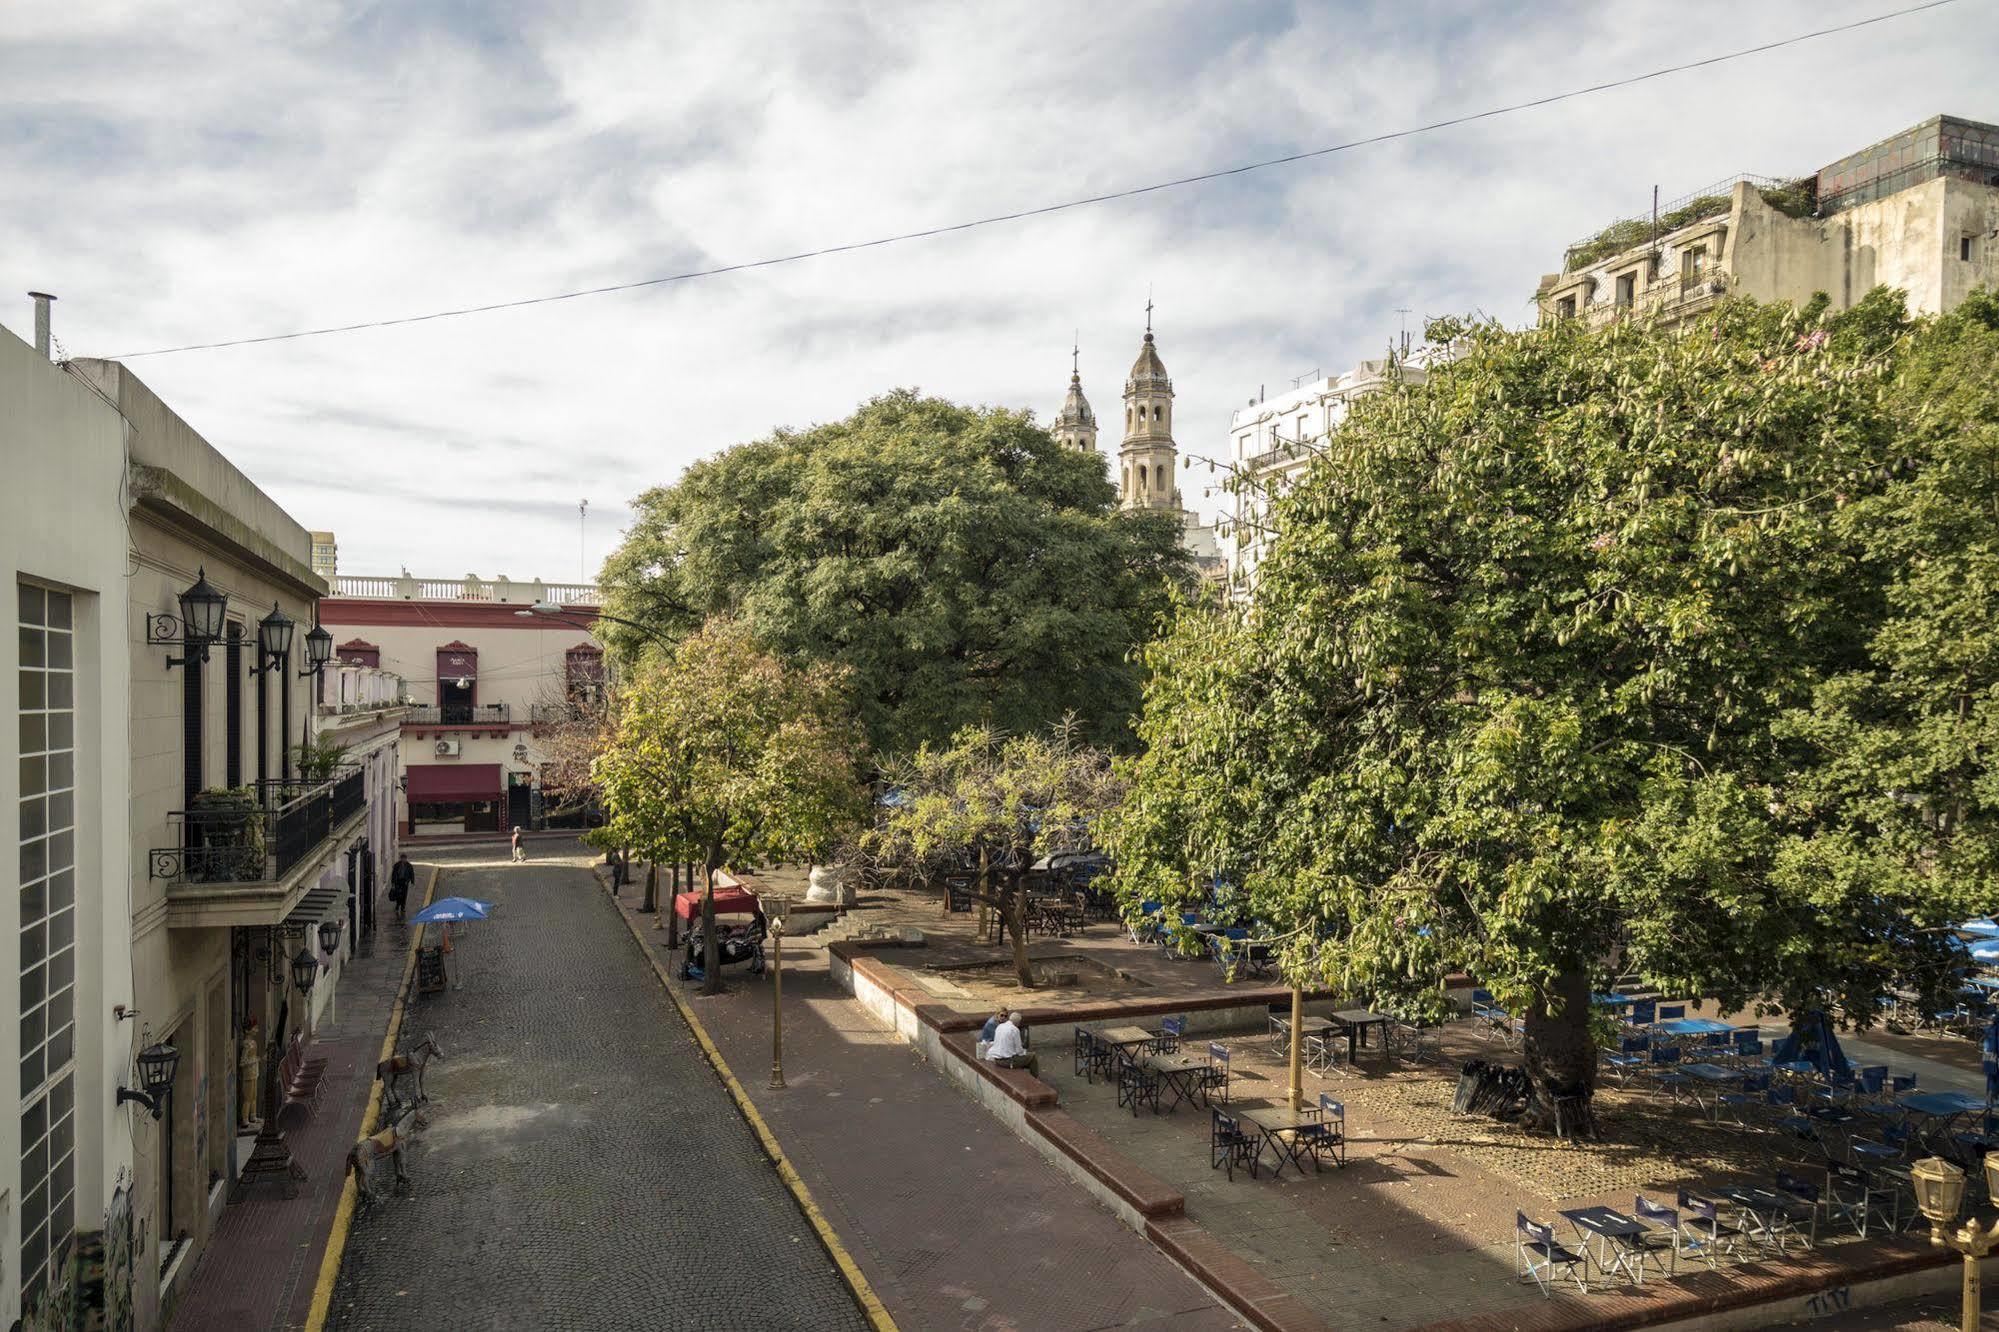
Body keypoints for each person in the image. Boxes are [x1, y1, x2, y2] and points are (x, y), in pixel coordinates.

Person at [987, 1011, 1039, 1078]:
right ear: (1018, 1022)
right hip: (1007, 1061)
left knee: (1024, 1058)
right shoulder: (1015, 1030)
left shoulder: (1000, 1026)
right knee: (1032, 1057)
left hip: (997, 1059)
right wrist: (1024, 1052)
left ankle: (1024, 1076)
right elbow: (1019, 1050)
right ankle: (1034, 1079)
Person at [389, 853, 415, 921]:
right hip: (398, 882)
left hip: (405, 883)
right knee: (398, 895)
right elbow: (393, 875)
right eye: (403, 858)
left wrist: (412, 882)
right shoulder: (397, 865)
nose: (404, 860)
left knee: (404, 895)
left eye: (405, 859)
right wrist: (393, 883)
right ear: (401, 859)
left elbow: (411, 874)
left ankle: (403, 907)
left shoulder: (409, 866)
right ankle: (397, 906)